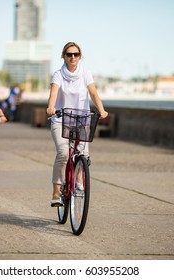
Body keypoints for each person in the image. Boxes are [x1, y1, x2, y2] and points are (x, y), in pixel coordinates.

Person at [46, 42, 108, 207]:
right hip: (61, 119)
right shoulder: (58, 74)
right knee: (63, 152)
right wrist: (51, 107)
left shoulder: (85, 73)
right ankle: (56, 192)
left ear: (80, 56)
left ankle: (80, 179)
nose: (73, 57)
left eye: (76, 54)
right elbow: (53, 92)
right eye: (69, 54)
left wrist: (101, 110)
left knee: (84, 155)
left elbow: (93, 93)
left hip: (81, 119)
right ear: (63, 56)